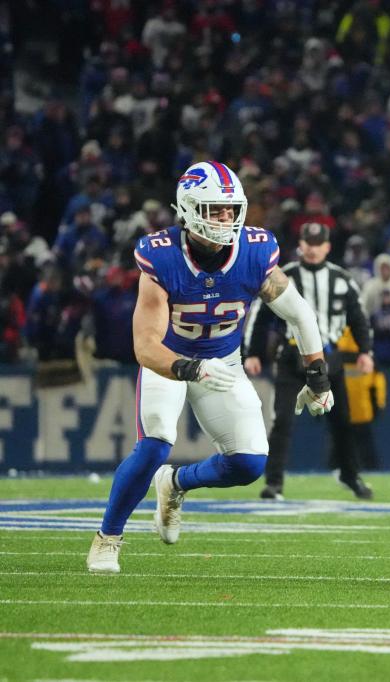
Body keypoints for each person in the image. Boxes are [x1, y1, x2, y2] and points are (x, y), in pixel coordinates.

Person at [86, 161, 335, 574]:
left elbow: (300, 314)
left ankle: (177, 482)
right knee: (155, 443)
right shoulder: (162, 256)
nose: (225, 219)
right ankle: (108, 537)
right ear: (187, 209)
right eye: (214, 210)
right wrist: (188, 368)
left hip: (224, 362)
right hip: (172, 361)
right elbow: (146, 346)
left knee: (250, 463)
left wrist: (317, 375)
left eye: (230, 209)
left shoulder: (254, 252)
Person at [244, 221, 375, 501]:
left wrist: (366, 350)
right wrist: (252, 352)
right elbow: (260, 314)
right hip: (292, 357)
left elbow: (359, 316)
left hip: (331, 358)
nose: (313, 249)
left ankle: (350, 475)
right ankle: (274, 483)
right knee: (283, 422)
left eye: (318, 244)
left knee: (343, 422)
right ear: (300, 245)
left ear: (327, 246)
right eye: (309, 243)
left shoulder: (341, 278)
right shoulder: (285, 276)